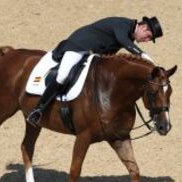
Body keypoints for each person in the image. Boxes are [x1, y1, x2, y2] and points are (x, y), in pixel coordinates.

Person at [27, 16, 163, 125]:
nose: (146, 40)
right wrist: (142, 55)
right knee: (62, 76)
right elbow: (123, 41)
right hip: (77, 46)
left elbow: (109, 56)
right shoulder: (122, 24)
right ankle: (38, 110)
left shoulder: (128, 34)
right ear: (143, 27)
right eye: (149, 37)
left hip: (90, 55)